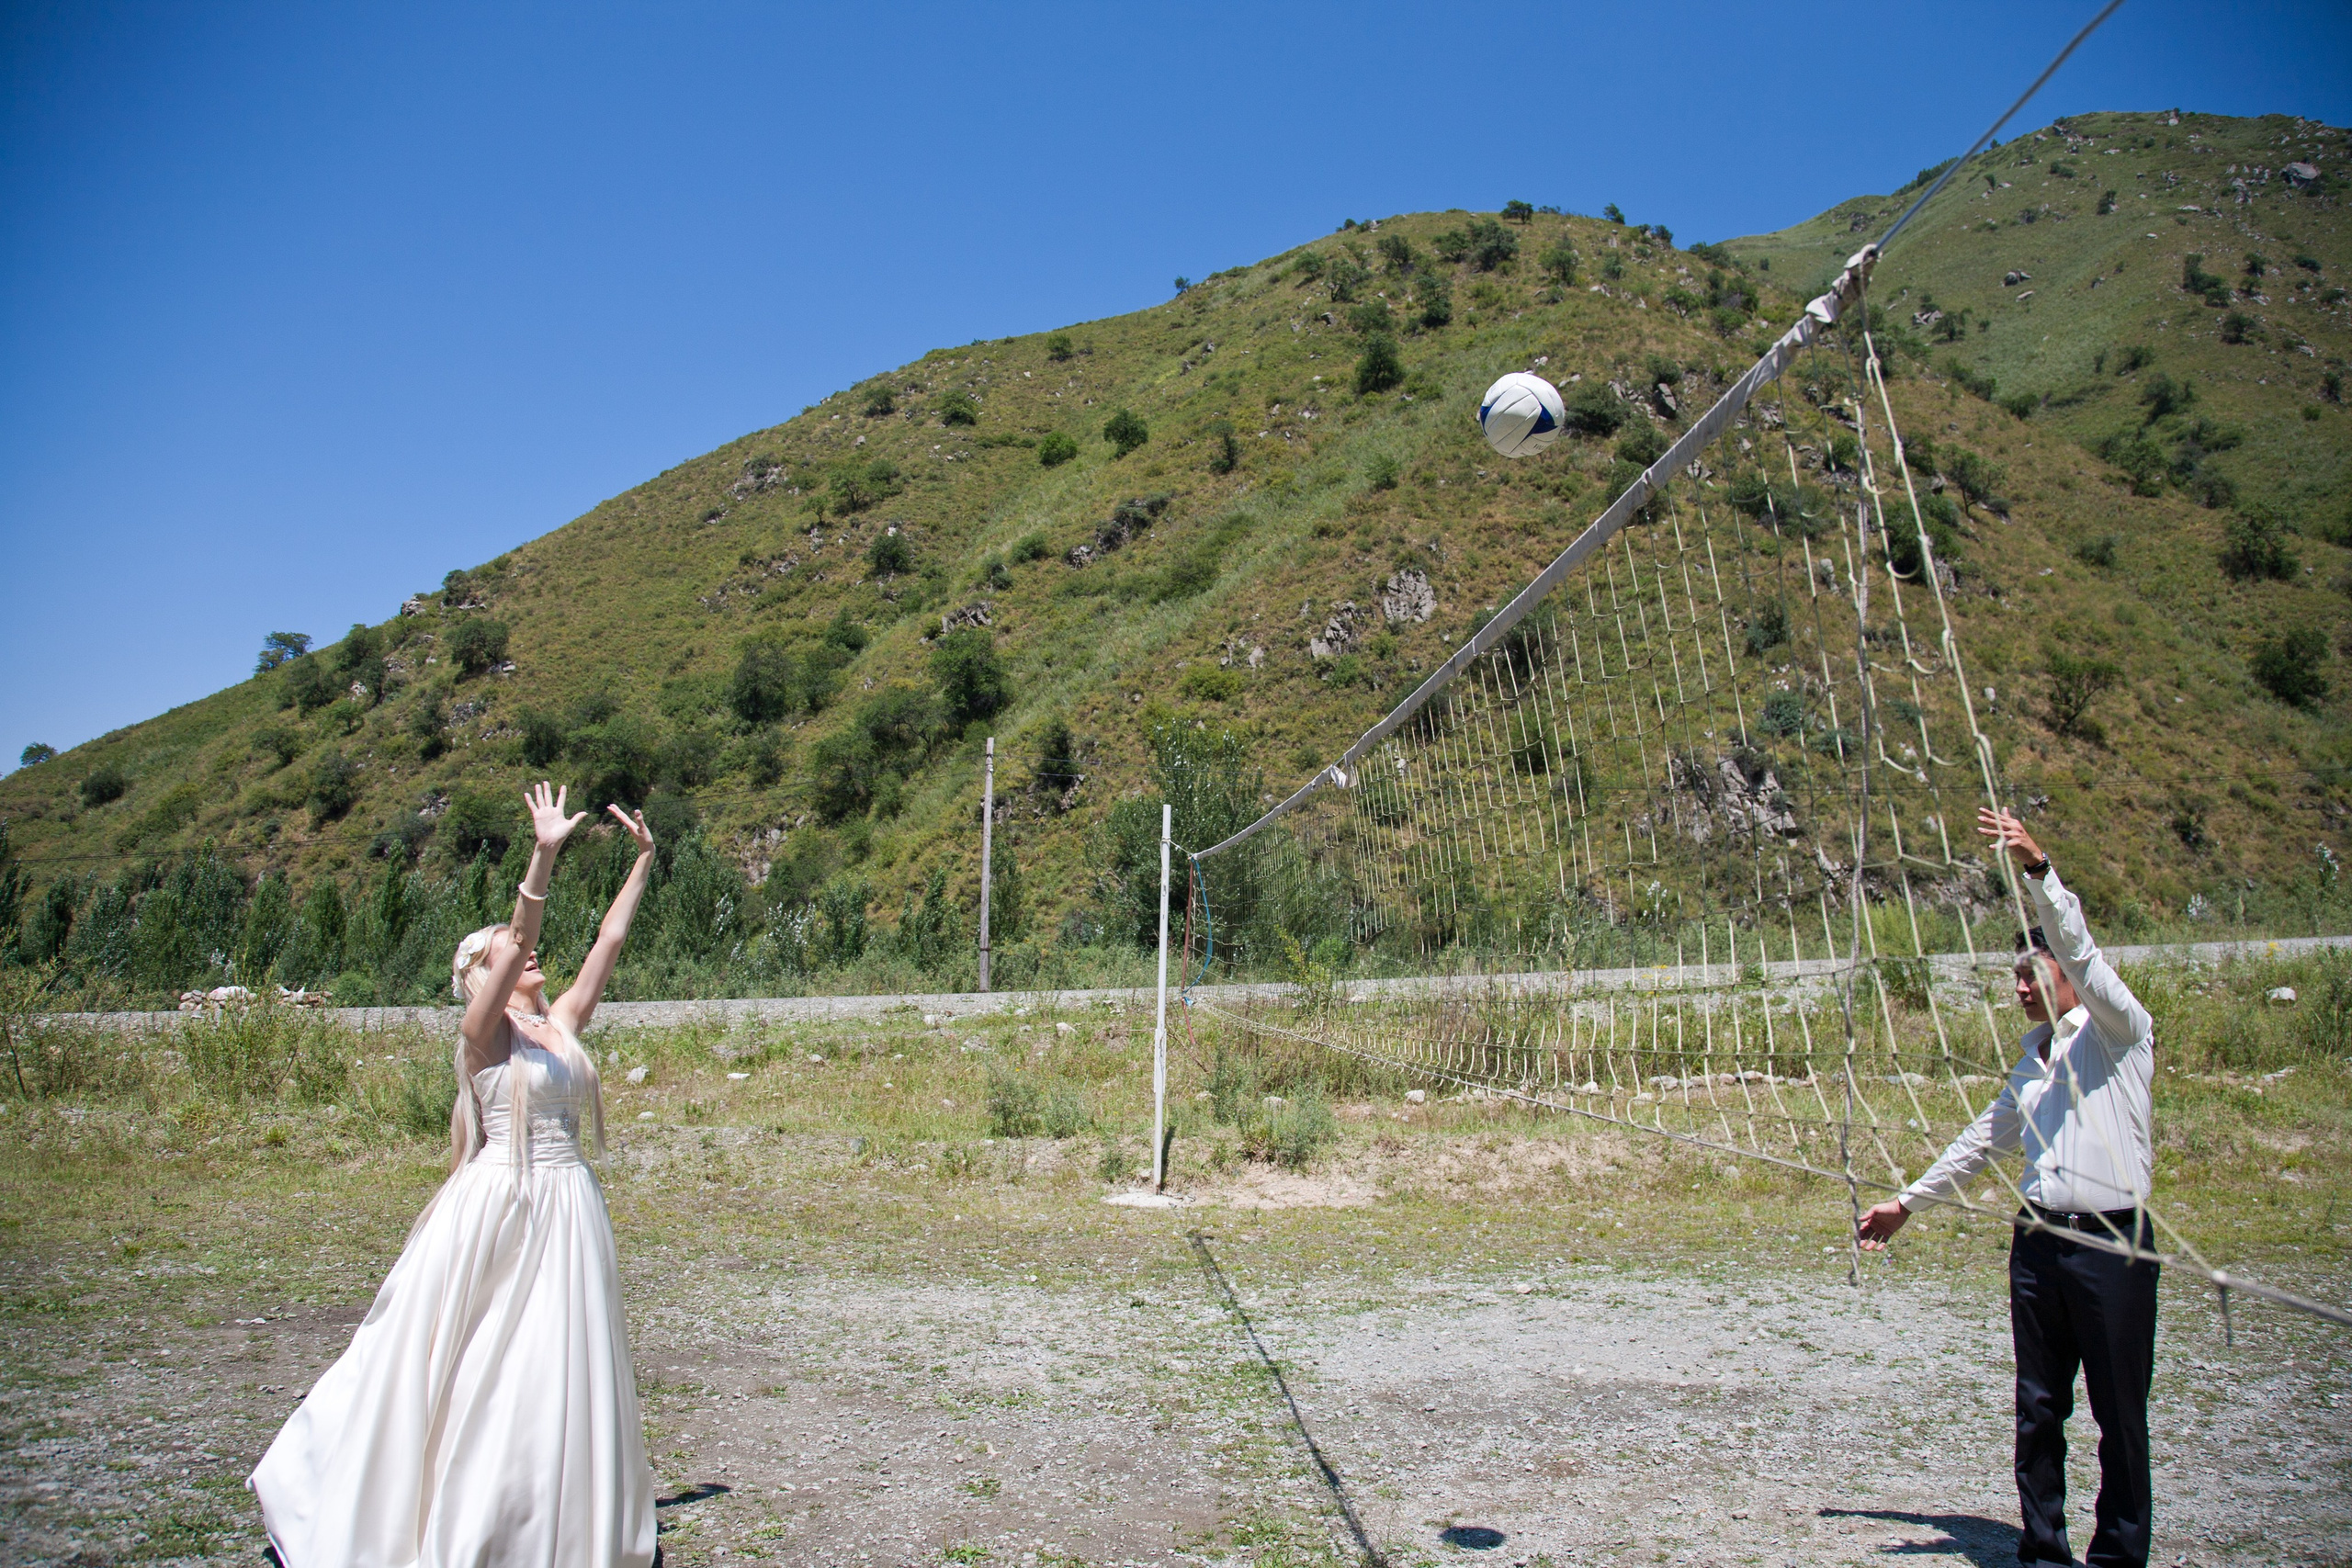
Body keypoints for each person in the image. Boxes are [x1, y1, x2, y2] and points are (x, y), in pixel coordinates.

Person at [252, 783, 661, 1568]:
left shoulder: (561, 1024)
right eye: (503, 953)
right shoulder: (483, 1039)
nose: (529, 954)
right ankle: (454, 1513)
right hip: (501, 1206)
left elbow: (608, 941)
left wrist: (644, 861)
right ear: (481, 974)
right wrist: (543, 852)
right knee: (473, 1361)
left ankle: (551, 1516)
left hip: (570, 1206)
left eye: (522, 951)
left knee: (554, 1364)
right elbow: (518, 934)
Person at [1856, 806, 2158, 1568]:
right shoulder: (2031, 1063)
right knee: (2038, 1407)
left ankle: (2119, 1555)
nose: (2022, 986)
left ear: (2065, 973)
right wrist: (1906, 1203)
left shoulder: (2119, 1030)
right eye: (2016, 976)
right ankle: (2044, 1551)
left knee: (2118, 1414)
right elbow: (1980, 1142)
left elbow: (2083, 953)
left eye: (2034, 972)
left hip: (2112, 1243)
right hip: (2038, 1243)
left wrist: (2038, 870)